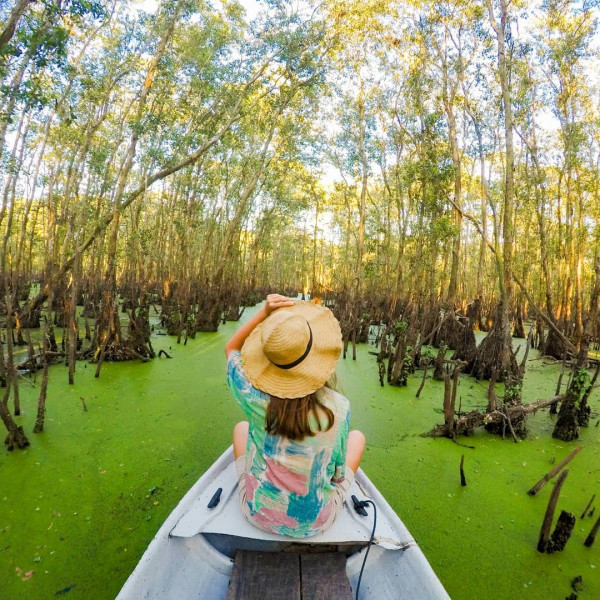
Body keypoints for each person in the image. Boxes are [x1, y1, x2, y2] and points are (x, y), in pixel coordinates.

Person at [225, 294, 365, 538]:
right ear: (316, 356)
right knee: (358, 438)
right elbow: (338, 473)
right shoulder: (339, 407)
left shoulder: (251, 394)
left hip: (258, 515)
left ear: (268, 358)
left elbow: (231, 349)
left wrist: (263, 313)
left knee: (241, 428)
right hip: (316, 524)